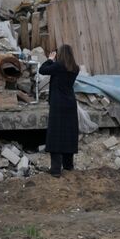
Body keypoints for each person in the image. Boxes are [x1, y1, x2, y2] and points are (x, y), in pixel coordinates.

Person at [39, 44, 80, 176]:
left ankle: (56, 170)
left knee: (56, 135)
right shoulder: (75, 68)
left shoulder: (58, 66)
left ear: (60, 54)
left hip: (58, 105)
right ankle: (68, 166)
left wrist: (50, 59)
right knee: (69, 134)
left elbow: (42, 70)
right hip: (70, 104)